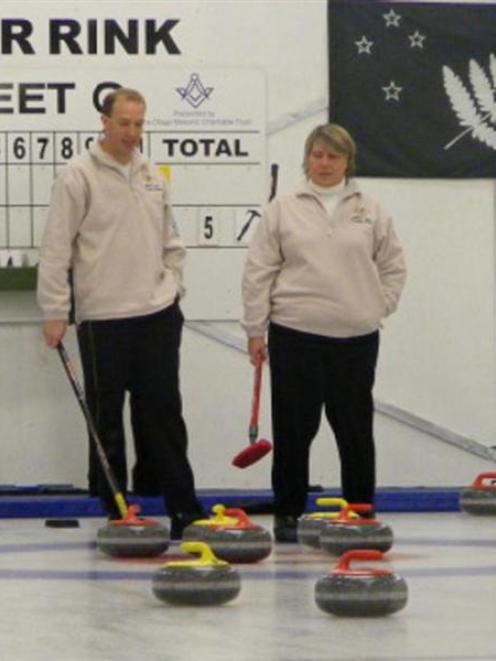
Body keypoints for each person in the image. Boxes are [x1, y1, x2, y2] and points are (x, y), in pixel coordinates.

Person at [37, 87, 204, 538]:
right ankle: (116, 510)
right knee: (106, 417)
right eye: (124, 123)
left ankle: (183, 508)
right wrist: (55, 311)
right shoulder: (77, 175)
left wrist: (173, 286)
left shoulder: (152, 174)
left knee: (163, 413)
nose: (133, 132)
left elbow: (172, 240)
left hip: (156, 313)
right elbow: (56, 251)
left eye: (139, 123)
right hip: (102, 318)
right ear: (105, 123)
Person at [241, 123, 407, 542]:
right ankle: (288, 511)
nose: (325, 163)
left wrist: (375, 306)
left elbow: (393, 266)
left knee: (354, 428)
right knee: (294, 430)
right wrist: (255, 329)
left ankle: (360, 510)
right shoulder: (283, 207)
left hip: (356, 338)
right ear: (307, 158)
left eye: (334, 156)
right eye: (318, 155)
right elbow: (259, 270)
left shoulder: (371, 209)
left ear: (348, 161)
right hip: (295, 332)